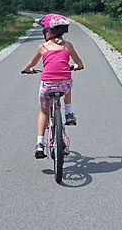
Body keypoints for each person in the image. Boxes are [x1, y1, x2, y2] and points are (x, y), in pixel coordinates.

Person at [22, 14, 84, 158]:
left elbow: (31, 64)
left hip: (47, 85)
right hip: (64, 85)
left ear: (48, 32)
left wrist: (27, 70)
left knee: (44, 112)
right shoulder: (67, 45)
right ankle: (69, 112)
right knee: (68, 84)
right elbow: (79, 64)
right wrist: (75, 66)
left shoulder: (42, 47)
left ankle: (39, 144)